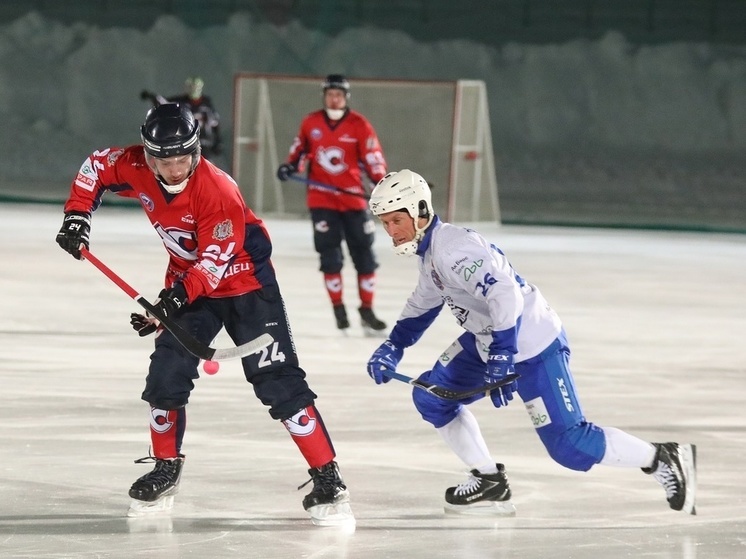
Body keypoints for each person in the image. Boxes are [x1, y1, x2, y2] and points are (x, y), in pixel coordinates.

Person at [54, 103, 353, 527]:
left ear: (196, 152)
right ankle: (165, 465)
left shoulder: (218, 190)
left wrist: (172, 303)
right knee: (166, 374)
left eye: (183, 159)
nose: (175, 170)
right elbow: (95, 168)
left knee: (277, 380)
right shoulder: (134, 164)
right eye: (164, 160)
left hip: (246, 285)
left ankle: (327, 475)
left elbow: (213, 263)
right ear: (148, 155)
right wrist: (77, 215)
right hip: (189, 285)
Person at [365, 169, 697, 516]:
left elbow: (505, 292)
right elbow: (423, 303)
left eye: (396, 220)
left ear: (420, 210)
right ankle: (489, 480)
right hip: (490, 343)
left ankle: (661, 458)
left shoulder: (454, 249)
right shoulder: (432, 253)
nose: (391, 231)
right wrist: (394, 345)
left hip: (532, 345)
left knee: (570, 446)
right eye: (385, 223)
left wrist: (503, 354)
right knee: (431, 396)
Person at [276, 74, 388, 336]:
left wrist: (381, 184)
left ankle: (366, 310)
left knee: (365, 255)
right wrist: (289, 166)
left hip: (352, 200)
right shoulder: (311, 122)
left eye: (338, 94)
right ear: (324, 96)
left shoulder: (359, 125)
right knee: (330, 256)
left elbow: (373, 160)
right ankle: (338, 309)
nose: (334, 98)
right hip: (322, 200)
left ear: (346, 97)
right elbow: (299, 152)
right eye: (330, 94)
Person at [140, 77, 222, 160]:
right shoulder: (181, 101)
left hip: (204, 141)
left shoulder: (206, 103)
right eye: (191, 87)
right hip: (186, 140)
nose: (194, 90)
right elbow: (164, 102)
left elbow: (214, 123)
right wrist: (152, 97)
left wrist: (217, 141)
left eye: (196, 87)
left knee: (204, 164)